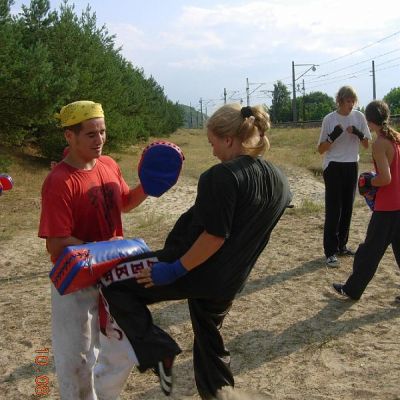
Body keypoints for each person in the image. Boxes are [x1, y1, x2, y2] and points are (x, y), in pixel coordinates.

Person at [101, 104, 292, 399]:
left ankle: (158, 349)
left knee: (113, 282)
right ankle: (218, 392)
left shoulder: (222, 176)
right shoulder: (280, 180)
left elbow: (214, 236)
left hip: (194, 267)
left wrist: (174, 269)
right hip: (231, 279)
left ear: (228, 139)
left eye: (212, 143)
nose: (212, 151)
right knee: (208, 337)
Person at [38, 100, 148, 399]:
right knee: (77, 360)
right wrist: (103, 248)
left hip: (114, 273)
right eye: (90, 134)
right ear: (69, 136)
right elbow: (56, 243)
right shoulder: (60, 181)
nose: (99, 140)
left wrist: (149, 186)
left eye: (102, 132)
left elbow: (124, 202)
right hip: (76, 280)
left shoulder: (108, 164)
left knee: (123, 349)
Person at [332, 100, 400, 300]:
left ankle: (352, 290)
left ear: (369, 121)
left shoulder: (380, 143)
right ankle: (352, 288)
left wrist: (369, 182)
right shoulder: (396, 138)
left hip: (387, 208)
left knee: (369, 252)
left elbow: (385, 178)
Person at [317, 86, 372, 267]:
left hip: (351, 164)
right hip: (333, 165)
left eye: (353, 101)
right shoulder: (329, 119)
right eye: (348, 101)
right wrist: (333, 136)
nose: (351, 104)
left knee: (347, 208)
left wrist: (358, 132)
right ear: (340, 101)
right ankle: (330, 252)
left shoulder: (359, 117)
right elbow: (321, 149)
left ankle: (342, 246)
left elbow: (366, 144)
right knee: (334, 209)